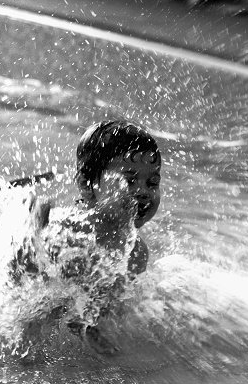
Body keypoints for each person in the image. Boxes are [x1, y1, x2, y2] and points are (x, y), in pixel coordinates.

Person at [12, 119, 162, 353]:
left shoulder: (137, 252)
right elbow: (38, 300)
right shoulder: (72, 235)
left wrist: (97, 329)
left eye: (152, 183)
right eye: (129, 181)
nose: (143, 192)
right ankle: (33, 221)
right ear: (87, 184)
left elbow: (109, 306)